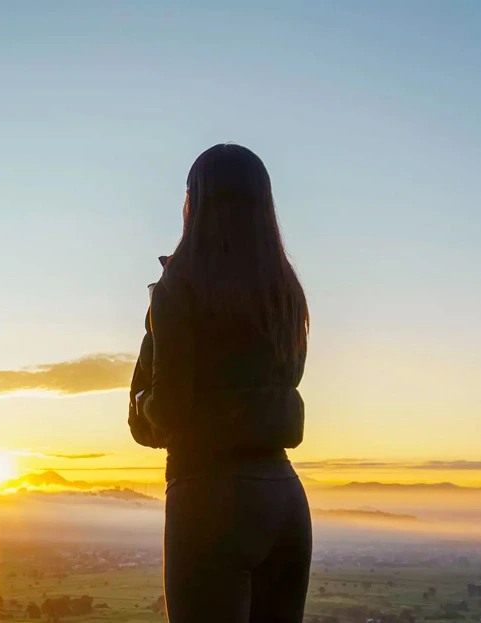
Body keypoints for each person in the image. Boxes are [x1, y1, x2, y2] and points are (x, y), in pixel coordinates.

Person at [129, 143, 311, 622]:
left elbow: (165, 411)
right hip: (285, 500)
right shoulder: (286, 292)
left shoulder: (181, 286)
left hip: (208, 498)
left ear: (193, 202)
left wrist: (144, 402)